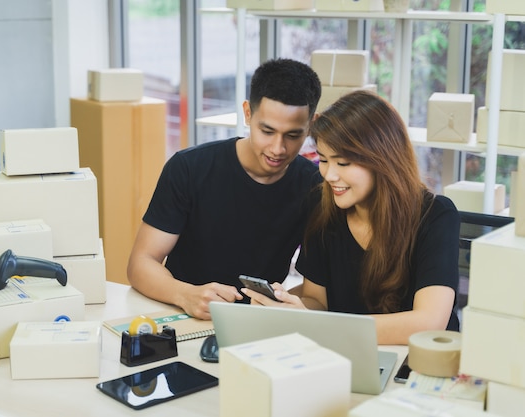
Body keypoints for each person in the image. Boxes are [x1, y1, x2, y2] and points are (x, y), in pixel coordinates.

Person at [243, 90, 460, 345]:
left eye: (343, 163)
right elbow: (317, 300)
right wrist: (288, 307)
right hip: (348, 353)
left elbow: (428, 323)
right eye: (323, 160)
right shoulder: (323, 207)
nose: (329, 175)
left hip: (418, 365)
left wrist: (317, 326)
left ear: (382, 160)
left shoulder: (436, 215)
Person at [127, 58, 322, 320]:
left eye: (293, 135)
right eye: (267, 131)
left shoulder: (315, 187)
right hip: (181, 313)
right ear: (247, 113)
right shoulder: (189, 168)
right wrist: (185, 295)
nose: (278, 148)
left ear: (311, 124)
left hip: (258, 322)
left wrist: (283, 304)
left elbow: (317, 297)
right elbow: (141, 263)